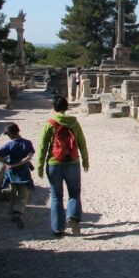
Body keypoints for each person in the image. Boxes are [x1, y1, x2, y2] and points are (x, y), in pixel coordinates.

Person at [37, 96, 89, 237]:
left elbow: (42, 147)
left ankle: (57, 228)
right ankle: (73, 217)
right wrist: (85, 161)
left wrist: (40, 166)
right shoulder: (74, 122)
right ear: (67, 107)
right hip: (72, 162)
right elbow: (81, 143)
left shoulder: (50, 124)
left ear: (54, 107)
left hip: (54, 163)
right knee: (74, 193)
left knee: (56, 197)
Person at [0, 123, 35, 229]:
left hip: (11, 173)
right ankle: (18, 212)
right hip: (23, 174)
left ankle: (12, 215)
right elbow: (29, 157)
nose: (8, 136)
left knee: (13, 194)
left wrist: (7, 163)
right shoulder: (27, 143)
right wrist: (20, 163)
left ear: (12, 133)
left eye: (8, 134)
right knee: (23, 195)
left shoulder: (10, 144)